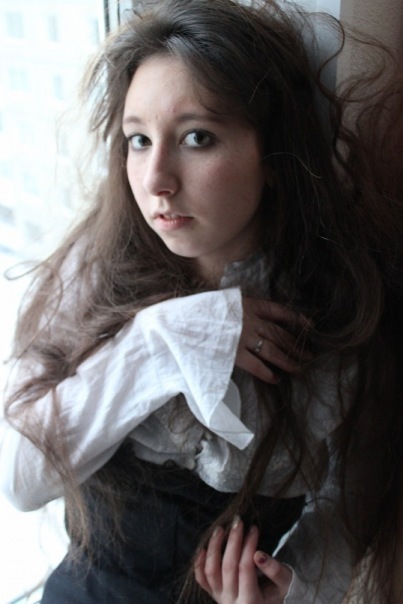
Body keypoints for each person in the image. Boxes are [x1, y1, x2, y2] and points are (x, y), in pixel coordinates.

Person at [1, 0, 402, 602]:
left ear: (274, 155)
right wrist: (160, 340)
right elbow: (19, 478)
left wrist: (290, 588)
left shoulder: (340, 303)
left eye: (197, 137)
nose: (156, 179)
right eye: (138, 140)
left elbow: (353, 503)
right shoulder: (100, 260)